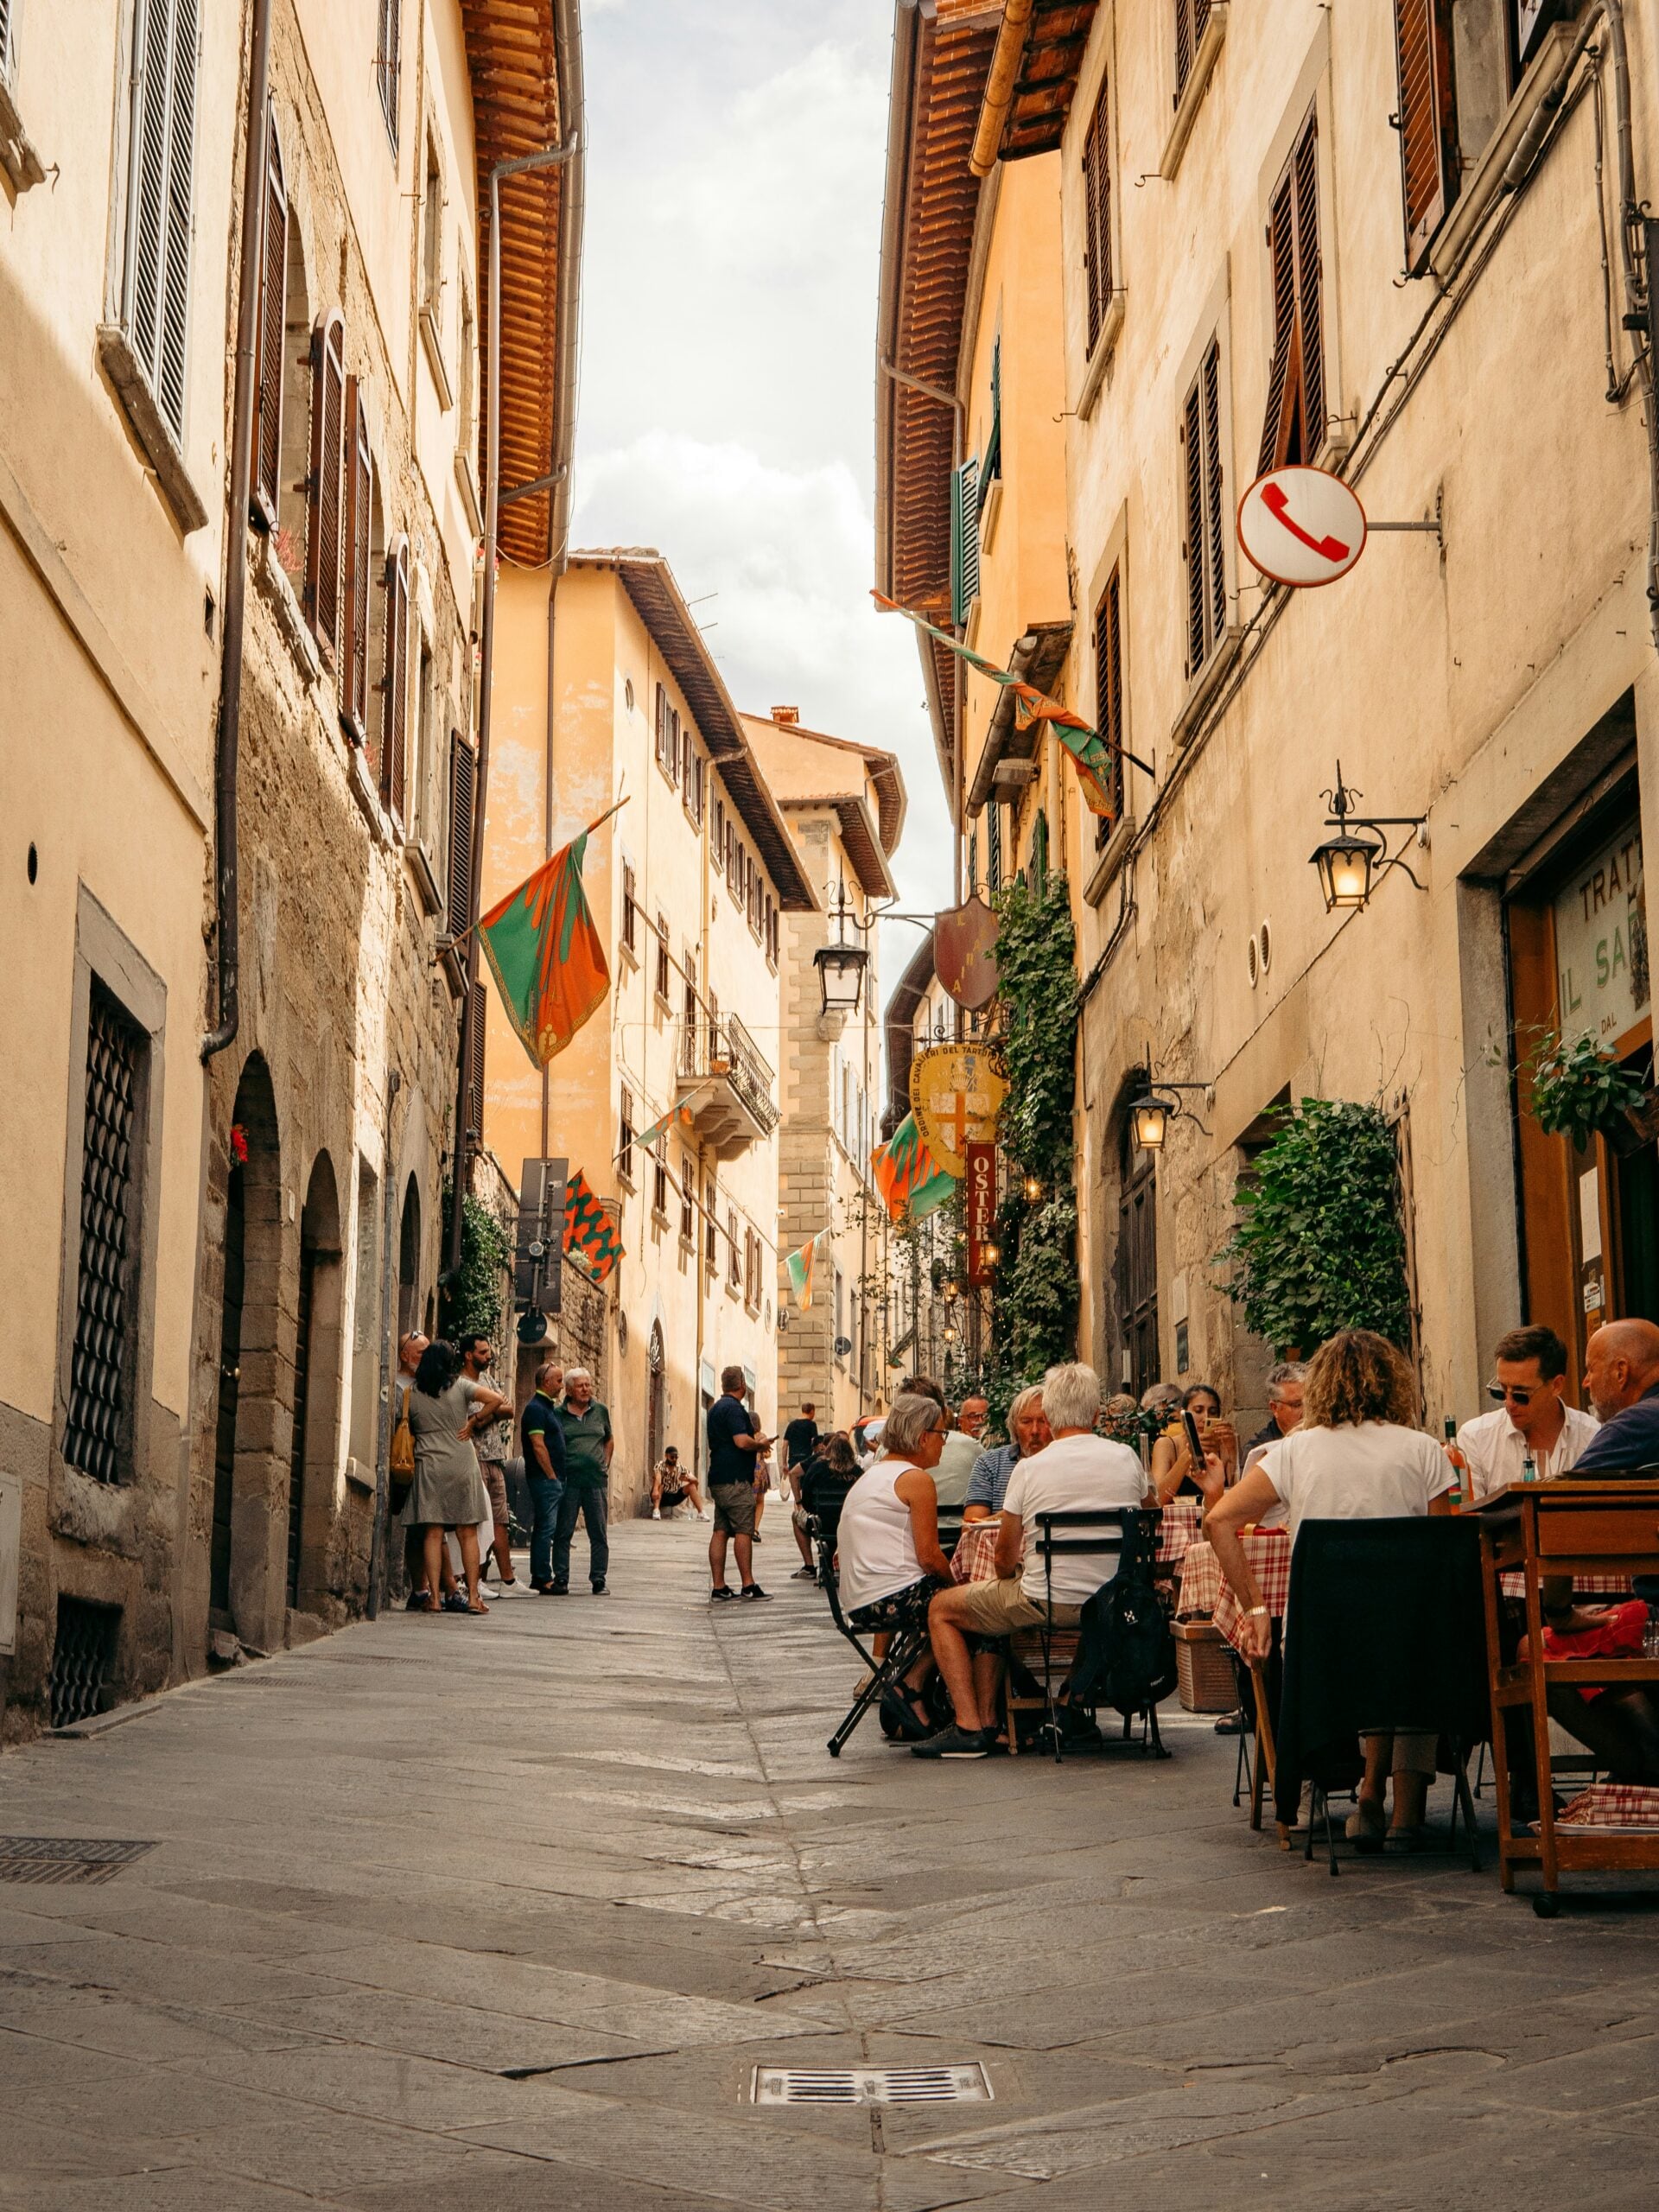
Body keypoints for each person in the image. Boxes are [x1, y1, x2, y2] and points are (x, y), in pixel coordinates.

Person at [1205, 1329, 1456, 1847]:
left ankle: (1366, 1796)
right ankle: (1403, 1810)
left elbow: (1219, 1521)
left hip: (1324, 1646)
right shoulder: (1425, 1451)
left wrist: (1255, 1606)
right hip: (1410, 1645)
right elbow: (1442, 1551)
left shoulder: (1296, 1451)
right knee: (1412, 1642)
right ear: (1394, 1384)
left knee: (1379, 1642)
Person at [916, 1363, 1151, 1759]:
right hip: (1113, 1603)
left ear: (1053, 1417)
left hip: (1047, 1601)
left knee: (941, 1608)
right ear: (1096, 1415)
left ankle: (970, 1727)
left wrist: (1010, 1576)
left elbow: (1004, 1557)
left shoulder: (1028, 1469)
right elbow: (1147, 1513)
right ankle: (1067, 1705)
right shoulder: (1126, 1458)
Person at [836, 1395, 956, 1735]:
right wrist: (958, 1586)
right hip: (890, 1599)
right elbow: (930, 1556)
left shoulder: (873, 1476)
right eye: (941, 1435)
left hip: (862, 1601)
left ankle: (913, 1690)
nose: (943, 1444)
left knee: (958, 1605)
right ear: (923, 1437)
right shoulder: (915, 1480)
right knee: (971, 1608)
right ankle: (914, 1687)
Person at [405, 1340, 510, 1615]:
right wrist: (474, 1423)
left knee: (433, 1532)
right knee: (467, 1532)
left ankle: (435, 1599)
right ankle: (474, 1597)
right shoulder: (461, 1386)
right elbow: (497, 1400)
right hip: (462, 1461)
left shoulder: (413, 1392)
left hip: (429, 1463)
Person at [1452, 1325, 1599, 1500]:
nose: (1509, 1403)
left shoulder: (1593, 1435)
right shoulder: (1475, 1438)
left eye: (1520, 1394)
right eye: (1501, 1390)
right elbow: (1470, 1519)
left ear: (1556, 1385)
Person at [459, 1333, 526, 1595]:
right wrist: (488, 1412)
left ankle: (507, 1580)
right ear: (468, 1355)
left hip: (495, 1458)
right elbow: (463, 1418)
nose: (489, 1356)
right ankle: (473, 1580)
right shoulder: (461, 1384)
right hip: (473, 1458)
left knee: (499, 1520)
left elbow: (509, 1409)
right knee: (476, 1520)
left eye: (489, 1351)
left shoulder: (486, 1380)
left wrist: (482, 1416)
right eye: (483, 1352)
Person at [707, 1365, 773, 1600]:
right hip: (735, 1479)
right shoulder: (735, 1409)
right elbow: (741, 1441)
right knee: (744, 1530)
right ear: (742, 1385)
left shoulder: (715, 1408)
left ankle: (719, 1586)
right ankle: (748, 1584)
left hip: (718, 1477)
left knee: (721, 1531)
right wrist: (761, 1445)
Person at [550, 1368, 613, 1596]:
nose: (586, 1389)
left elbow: (608, 1439)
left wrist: (604, 1463)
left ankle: (598, 1579)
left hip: (595, 1481)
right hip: (568, 1481)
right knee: (563, 1531)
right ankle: (561, 1578)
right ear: (568, 1390)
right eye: (580, 1386)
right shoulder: (558, 1415)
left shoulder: (601, 1412)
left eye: (588, 1385)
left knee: (598, 1532)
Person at [962, 1386, 1051, 1520]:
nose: (1034, 1430)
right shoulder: (990, 1464)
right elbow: (971, 1528)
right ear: (1014, 1427)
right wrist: (1015, 1513)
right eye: (1026, 1422)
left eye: (1042, 1421)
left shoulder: (1067, 1463)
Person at [519, 1360, 565, 1594]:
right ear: (546, 1382)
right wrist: (551, 1476)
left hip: (549, 1479)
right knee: (546, 1529)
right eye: (558, 1380)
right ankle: (542, 1577)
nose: (562, 1385)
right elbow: (538, 1446)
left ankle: (542, 1574)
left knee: (546, 1528)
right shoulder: (536, 1409)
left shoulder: (546, 1408)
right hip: (544, 1479)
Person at [1150, 1382, 1237, 1500]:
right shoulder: (1167, 1445)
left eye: (1212, 1412)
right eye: (1198, 1411)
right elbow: (1157, 1499)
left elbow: (1237, 1494)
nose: (1205, 1417)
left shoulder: (1223, 1446)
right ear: (1183, 1415)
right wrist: (1190, 1452)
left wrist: (1232, 1451)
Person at [799, 1433, 863, 1543]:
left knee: (796, 1518)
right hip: (849, 1523)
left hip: (822, 1524)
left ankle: (808, 1560)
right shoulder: (857, 1471)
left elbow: (806, 1500)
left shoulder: (817, 1468)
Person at [1243, 1363, 1307, 1464]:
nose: (1306, 1411)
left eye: (1311, 1403)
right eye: (1297, 1405)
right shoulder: (1259, 1450)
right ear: (1275, 1408)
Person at [652, 1446, 704, 1521]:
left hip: (675, 1496)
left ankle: (701, 1513)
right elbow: (657, 1477)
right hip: (661, 1495)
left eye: (676, 1457)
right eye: (672, 1457)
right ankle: (656, 1510)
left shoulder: (681, 1467)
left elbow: (696, 1481)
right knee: (661, 1485)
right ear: (666, 1456)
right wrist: (655, 1490)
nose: (674, 1459)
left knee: (692, 1486)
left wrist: (688, 1479)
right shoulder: (660, 1465)